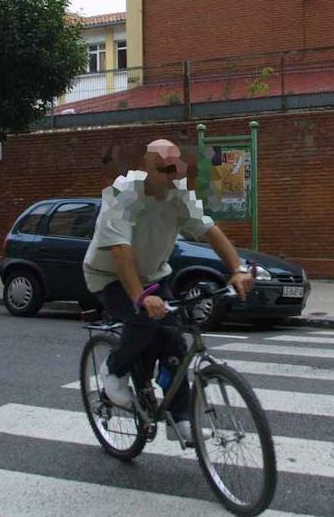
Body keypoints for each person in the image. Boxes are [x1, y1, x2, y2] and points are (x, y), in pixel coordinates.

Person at [83, 138, 255, 443]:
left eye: (178, 169)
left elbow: (211, 232)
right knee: (145, 318)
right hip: (109, 275)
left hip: (154, 274)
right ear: (147, 170)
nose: (174, 176)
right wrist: (141, 297)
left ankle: (181, 419)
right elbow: (121, 254)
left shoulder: (181, 197)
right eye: (165, 170)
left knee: (174, 342)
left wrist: (238, 270)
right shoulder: (123, 195)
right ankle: (114, 370)